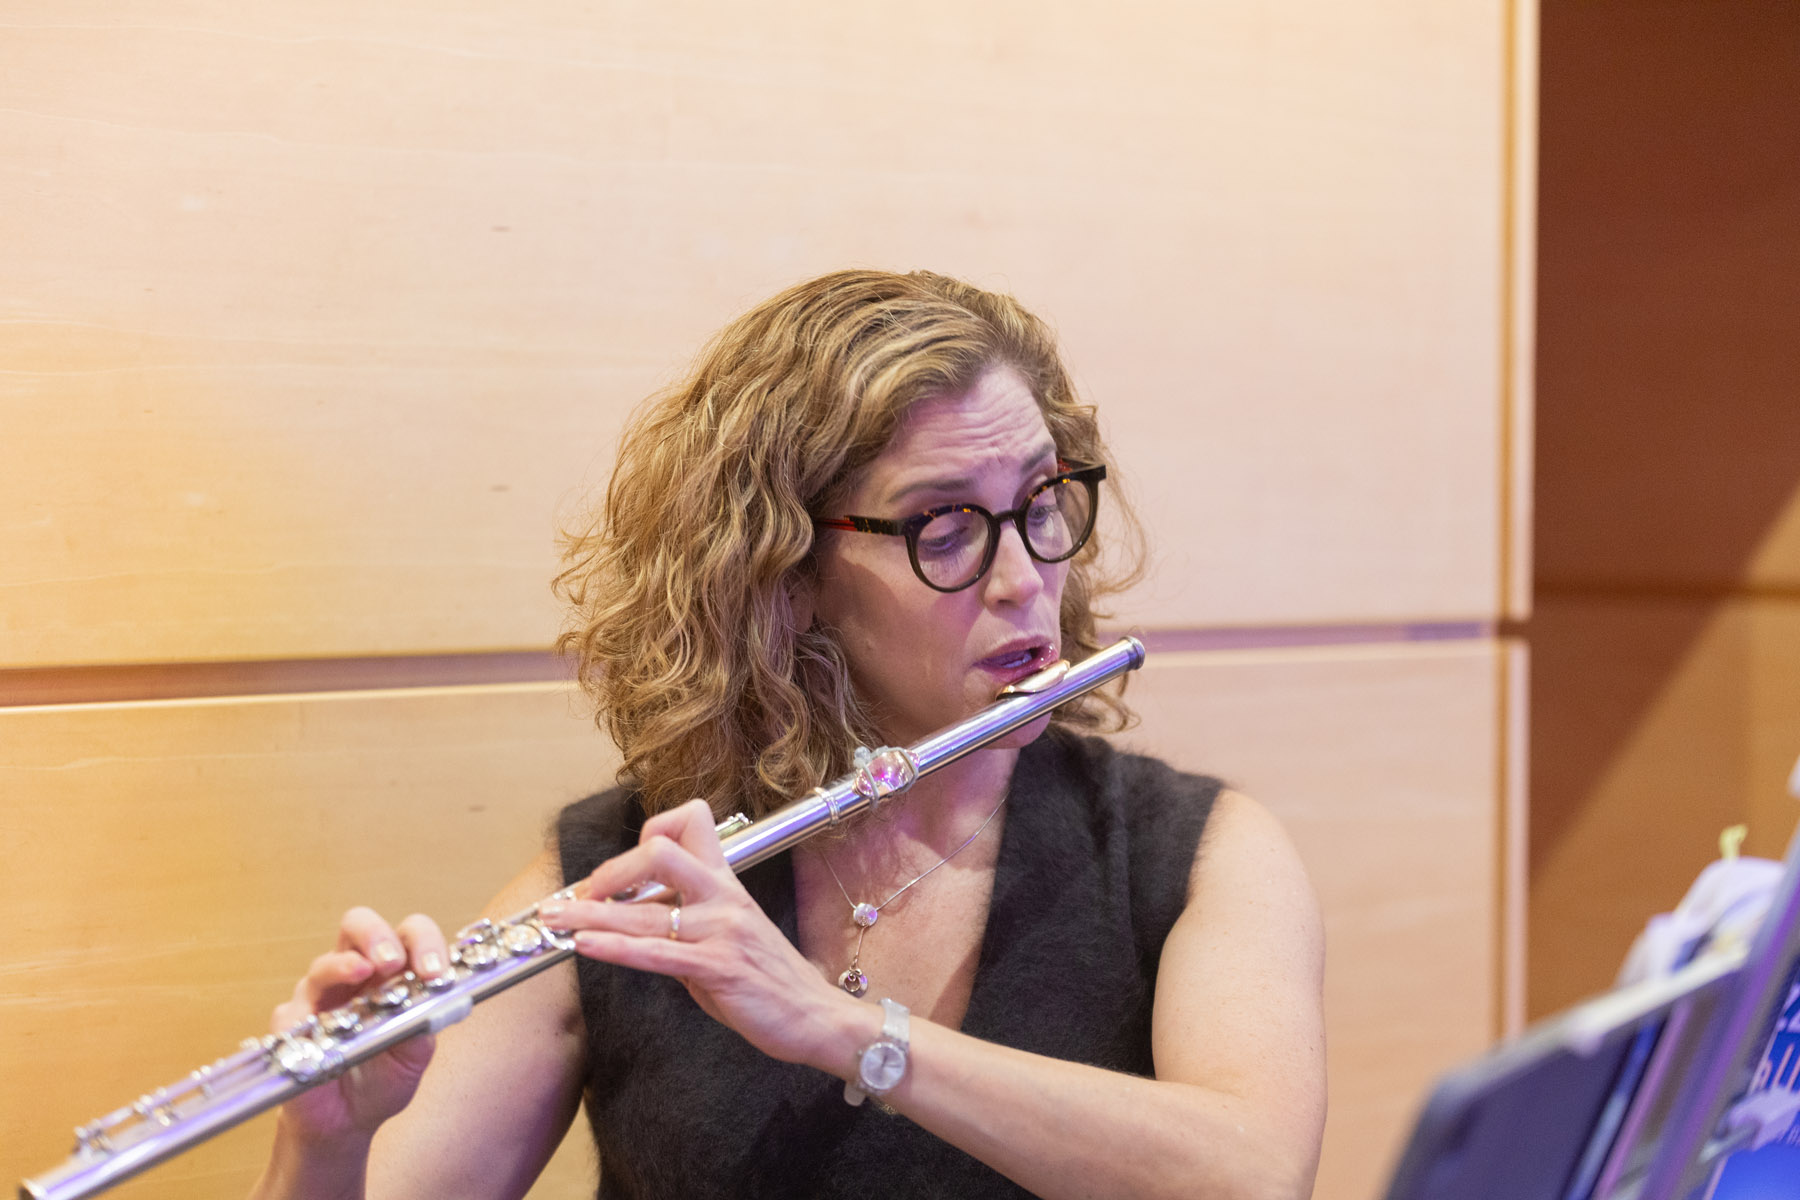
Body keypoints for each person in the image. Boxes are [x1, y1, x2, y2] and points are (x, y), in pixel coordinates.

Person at [250, 270, 1326, 1200]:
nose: (1022, 579)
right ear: (788, 573)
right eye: (946, 525)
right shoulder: (642, 879)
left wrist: (846, 1032)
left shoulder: (1192, 855)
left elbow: (1253, 1173)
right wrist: (325, 1142)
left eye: (1042, 503)